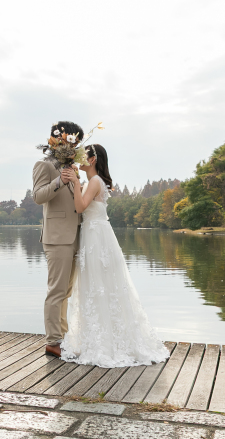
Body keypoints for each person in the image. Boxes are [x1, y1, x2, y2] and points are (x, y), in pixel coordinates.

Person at [59, 144, 169, 367]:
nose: (78, 159)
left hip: (96, 237)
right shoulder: (95, 181)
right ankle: (100, 338)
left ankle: (107, 344)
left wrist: (75, 183)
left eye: (82, 156)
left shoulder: (95, 182)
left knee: (100, 285)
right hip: (96, 234)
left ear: (91, 160)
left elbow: (80, 207)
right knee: (99, 287)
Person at [32, 121, 84, 358]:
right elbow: (38, 196)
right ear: (59, 139)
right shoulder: (44, 165)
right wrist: (59, 182)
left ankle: (63, 338)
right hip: (57, 237)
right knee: (56, 291)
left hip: (76, 235)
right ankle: (53, 341)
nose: (76, 145)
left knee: (67, 291)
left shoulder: (72, 166)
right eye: (73, 140)